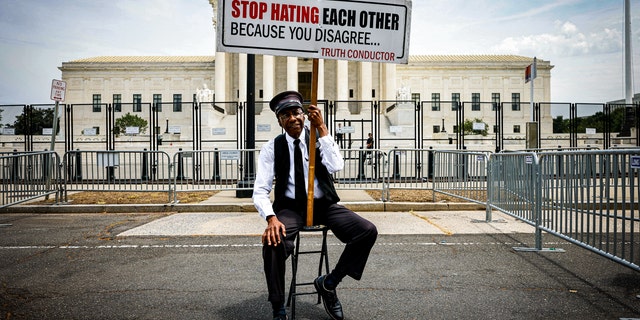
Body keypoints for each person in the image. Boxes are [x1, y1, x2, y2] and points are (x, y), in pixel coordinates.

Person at [253, 91, 378, 320]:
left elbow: (336, 165)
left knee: (367, 231)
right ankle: (278, 307)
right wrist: (271, 218)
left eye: (296, 112)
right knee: (273, 242)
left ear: (304, 114)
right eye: (286, 115)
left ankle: (329, 283)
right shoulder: (272, 148)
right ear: (279, 120)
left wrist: (322, 129)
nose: (293, 118)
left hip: (324, 205)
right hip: (291, 208)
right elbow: (260, 190)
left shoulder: (318, 138)